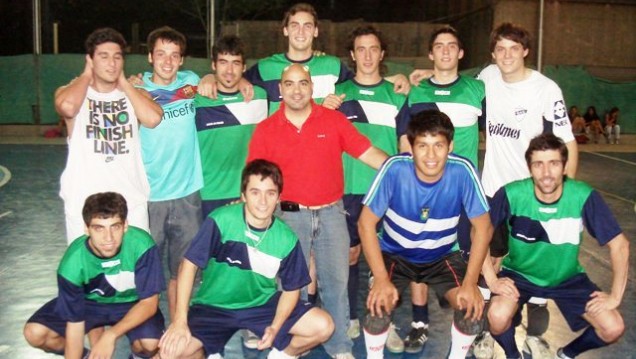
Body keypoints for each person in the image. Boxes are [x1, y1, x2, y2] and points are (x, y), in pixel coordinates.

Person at [247, 63, 389, 359]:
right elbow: (254, 178)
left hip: (331, 214)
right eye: (290, 84)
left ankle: (340, 348)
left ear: (312, 87)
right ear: (280, 88)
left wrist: (404, 171)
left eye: (303, 83)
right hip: (288, 217)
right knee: (291, 288)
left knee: (335, 285)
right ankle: (289, 347)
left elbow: (368, 153)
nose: (296, 90)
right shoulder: (266, 129)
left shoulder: (332, 121)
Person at [157, 159, 334, 359]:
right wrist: (179, 321)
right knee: (169, 353)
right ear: (243, 196)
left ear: (278, 198)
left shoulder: (286, 239)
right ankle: (208, 352)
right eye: (255, 192)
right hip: (213, 307)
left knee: (323, 326)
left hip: (261, 304)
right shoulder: (221, 220)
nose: (263, 201)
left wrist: (275, 328)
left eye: (270, 193)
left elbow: (292, 290)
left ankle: (281, 355)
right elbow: (188, 265)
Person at [358, 110, 493, 359]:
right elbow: (366, 224)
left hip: (442, 257)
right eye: (422, 145)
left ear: (450, 146)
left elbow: (484, 227)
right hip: (395, 255)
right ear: (410, 146)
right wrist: (380, 278)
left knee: (471, 309)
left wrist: (470, 283)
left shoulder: (463, 171)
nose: (431, 155)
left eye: (438, 145)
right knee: (378, 307)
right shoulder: (394, 169)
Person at [484, 133, 629, 359]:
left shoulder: (583, 196)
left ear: (564, 166)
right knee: (496, 317)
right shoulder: (512, 194)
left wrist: (615, 297)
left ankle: (567, 354)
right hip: (519, 275)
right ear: (530, 167)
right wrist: (492, 280)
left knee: (613, 327)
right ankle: (512, 355)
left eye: (553, 163)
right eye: (538, 164)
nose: (546, 173)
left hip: (567, 278)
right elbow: (481, 233)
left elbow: (620, 246)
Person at [403, 25, 486, 354]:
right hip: (426, 192)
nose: (446, 51)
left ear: (461, 53)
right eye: (440, 46)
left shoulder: (478, 89)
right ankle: (420, 323)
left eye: (453, 46)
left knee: (470, 258)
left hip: (465, 193)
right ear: (431, 53)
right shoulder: (418, 92)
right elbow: (408, 142)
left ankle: (473, 325)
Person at [334, 24, 410, 343]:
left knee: (387, 258)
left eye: (373, 49)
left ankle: (384, 320)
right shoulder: (338, 95)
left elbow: (405, 144)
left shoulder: (397, 93)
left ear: (382, 53)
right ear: (352, 55)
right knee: (351, 257)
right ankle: (353, 316)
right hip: (347, 190)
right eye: (360, 49)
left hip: (386, 192)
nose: (367, 55)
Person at [23, 192, 165, 359]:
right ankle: (90, 357)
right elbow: (74, 325)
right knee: (35, 333)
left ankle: (138, 355)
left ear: (125, 225)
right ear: (86, 229)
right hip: (88, 304)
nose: (109, 238)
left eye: (115, 226)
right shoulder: (72, 264)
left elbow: (149, 303)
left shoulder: (142, 245)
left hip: (132, 303)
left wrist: (110, 335)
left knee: (150, 345)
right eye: (99, 228)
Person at [56, 27, 163, 243]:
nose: (111, 63)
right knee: (86, 271)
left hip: (131, 201)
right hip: (83, 201)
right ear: (90, 59)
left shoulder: (135, 94)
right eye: (103, 57)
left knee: (133, 269)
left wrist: (124, 84)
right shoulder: (72, 93)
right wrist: (87, 75)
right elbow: (67, 107)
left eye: (117, 57)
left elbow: (153, 119)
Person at [198, 3, 409, 112]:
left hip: (319, 159)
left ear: (316, 31)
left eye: (307, 26)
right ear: (285, 30)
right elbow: (231, 78)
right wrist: (209, 78)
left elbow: (363, 81)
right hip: (280, 161)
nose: (301, 32)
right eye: (294, 25)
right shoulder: (265, 68)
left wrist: (395, 79)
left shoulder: (332, 66)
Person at [137, 26, 204, 321]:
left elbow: (211, 82)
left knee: (183, 268)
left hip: (187, 194)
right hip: (149, 197)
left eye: (174, 56)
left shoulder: (191, 83)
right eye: (161, 54)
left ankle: (180, 324)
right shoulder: (137, 91)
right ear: (150, 57)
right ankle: (148, 331)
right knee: (147, 270)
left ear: (181, 60)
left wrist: (213, 78)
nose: (167, 61)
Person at [194, 35, 268, 219]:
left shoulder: (259, 96)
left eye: (235, 63)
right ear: (213, 65)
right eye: (223, 62)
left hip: (246, 195)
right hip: (206, 196)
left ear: (244, 67)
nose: (229, 70)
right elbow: (165, 90)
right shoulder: (196, 98)